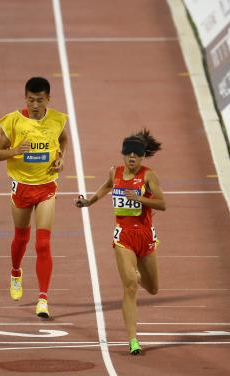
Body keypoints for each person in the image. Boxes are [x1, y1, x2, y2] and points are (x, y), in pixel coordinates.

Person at [75, 129, 165, 355]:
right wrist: (88, 202)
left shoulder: (148, 176)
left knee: (152, 288)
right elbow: (107, 186)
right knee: (131, 286)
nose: (132, 158)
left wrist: (141, 198)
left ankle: (137, 273)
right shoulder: (114, 172)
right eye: (128, 154)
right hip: (123, 236)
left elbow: (162, 204)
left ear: (142, 157)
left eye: (136, 155)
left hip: (145, 236)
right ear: (123, 155)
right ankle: (133, 340)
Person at [0, 77, 68, 318]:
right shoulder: (14, 121)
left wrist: (60, 157)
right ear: (25, 98)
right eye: (30, 99)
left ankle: (43, 299)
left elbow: (63, 139)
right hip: (22, 187)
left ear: (48, 99)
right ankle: (16, 272)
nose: (35, 104)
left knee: (43, 243)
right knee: (21, 238)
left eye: (40, 100)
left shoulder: (57, 119)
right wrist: (15, 151)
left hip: (46, 187)